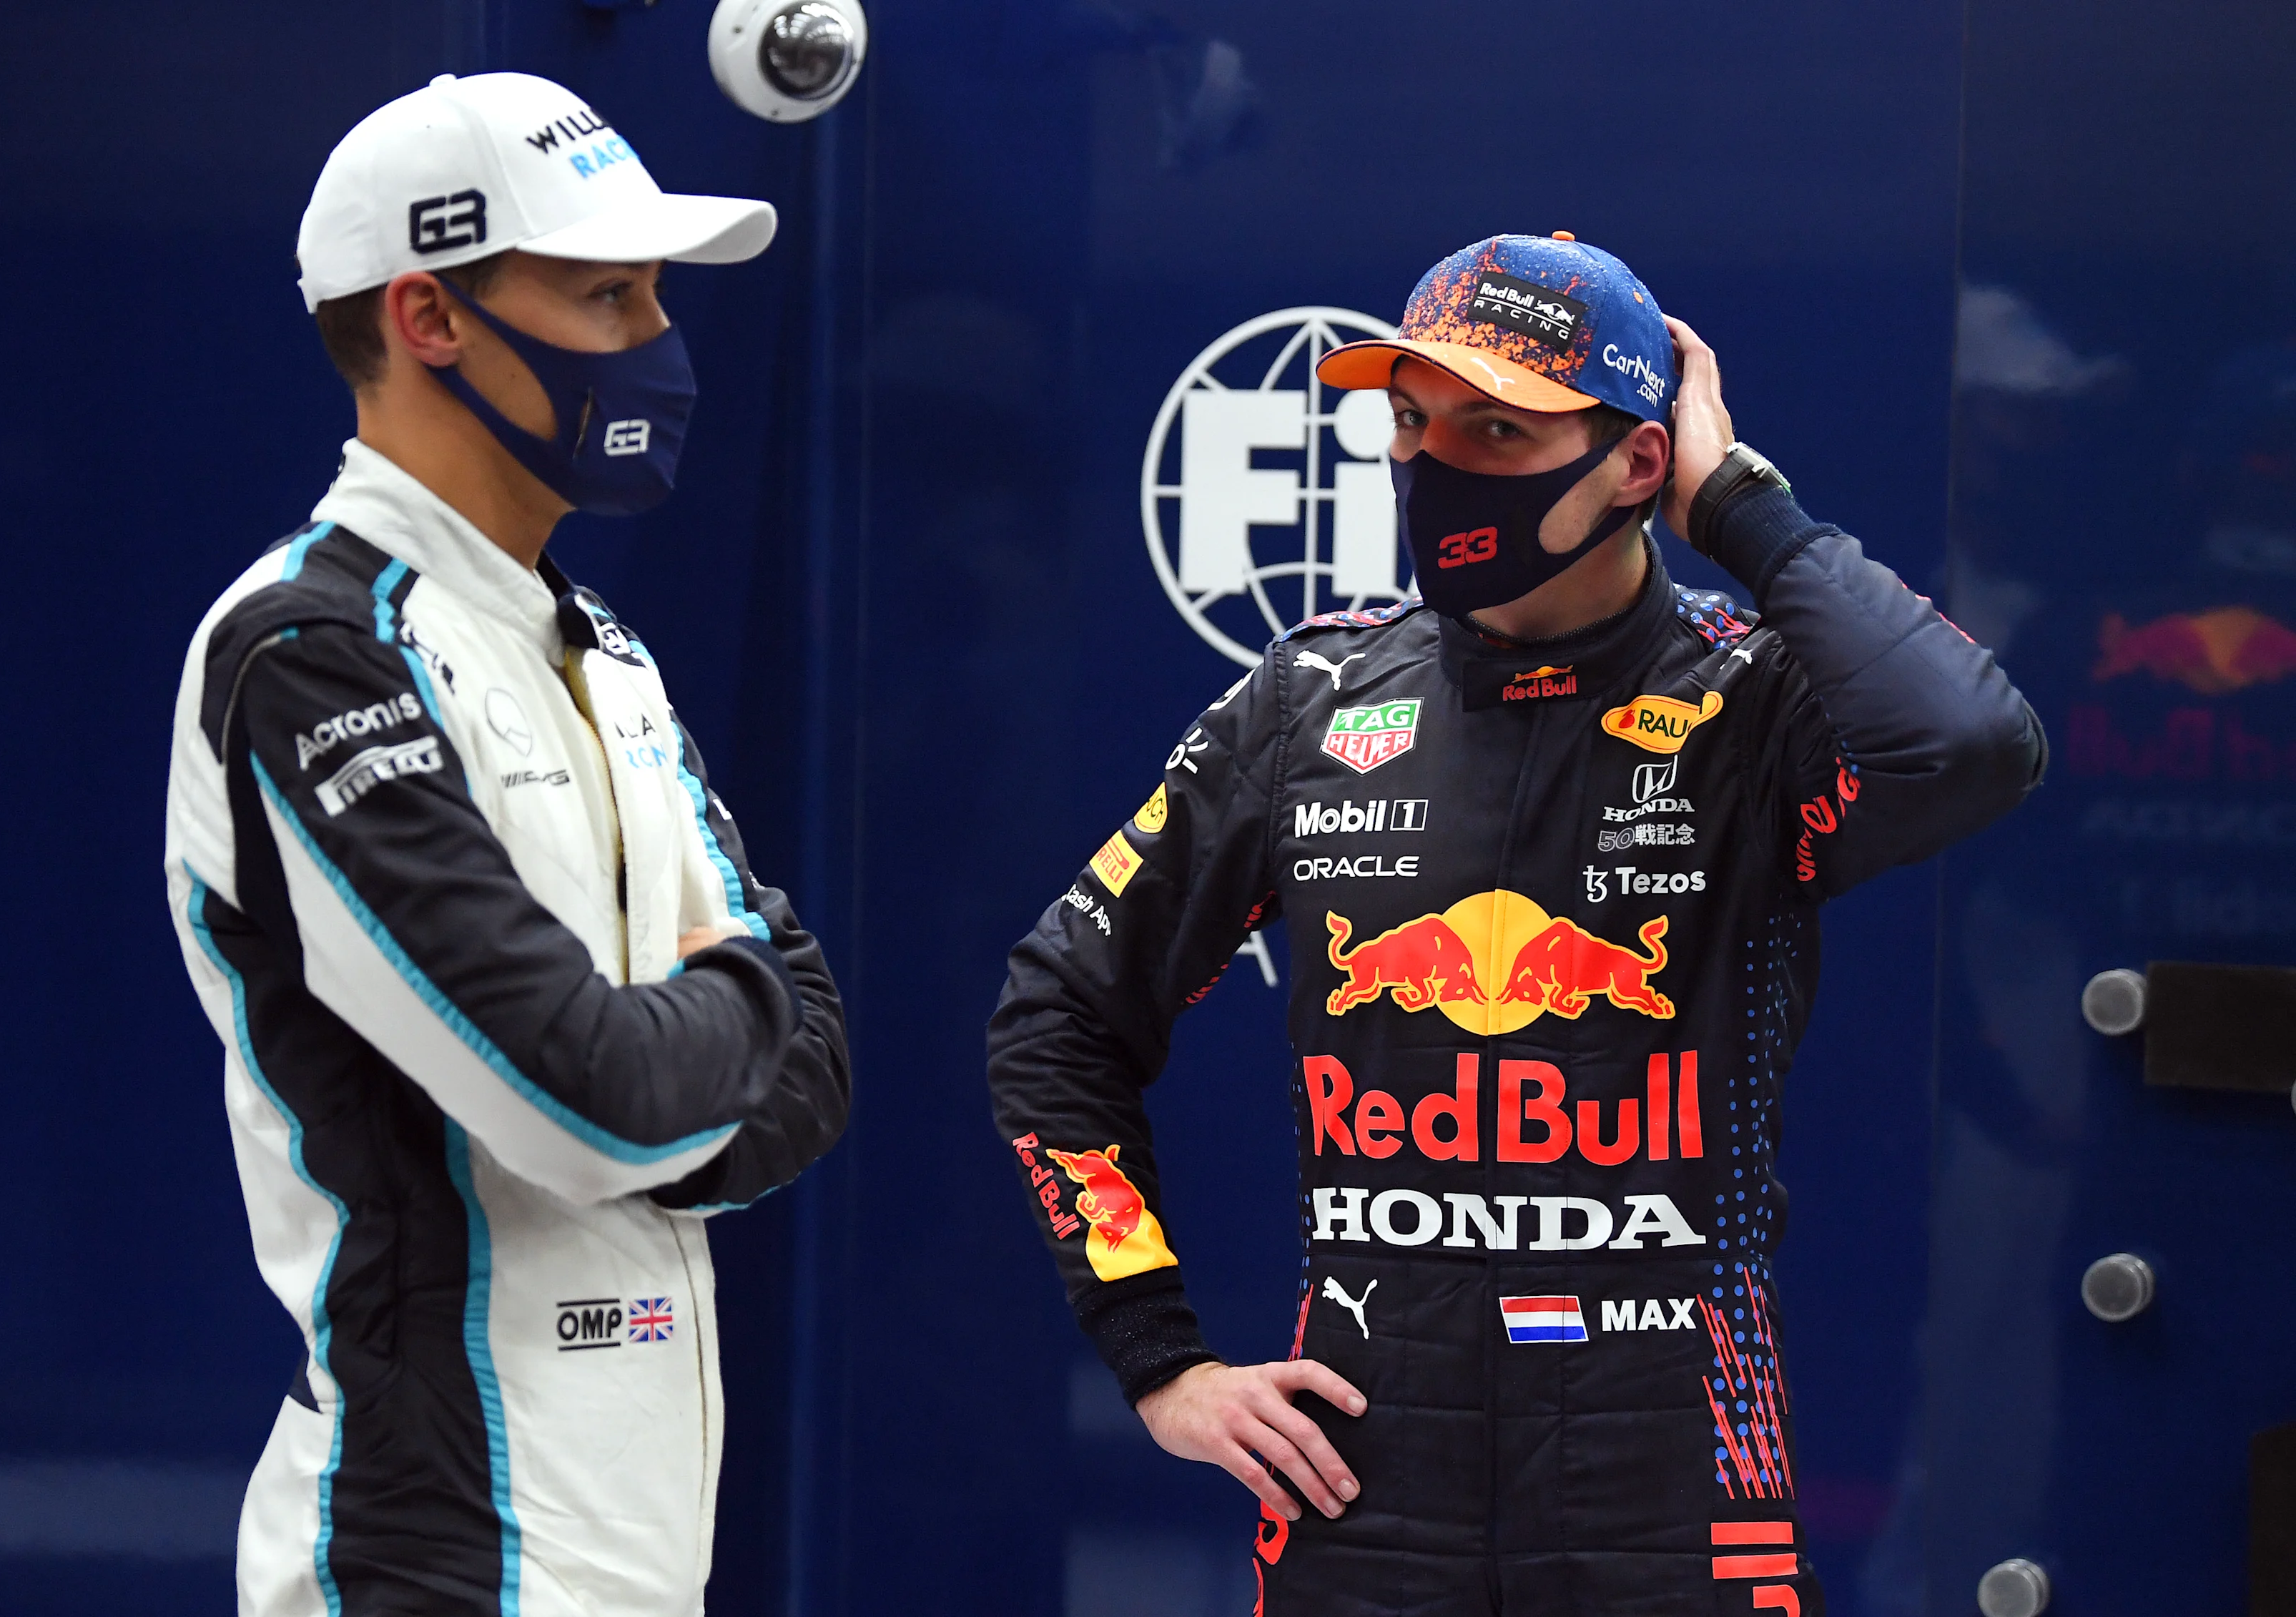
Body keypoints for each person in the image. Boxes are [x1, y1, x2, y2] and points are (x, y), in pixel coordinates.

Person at [986, 233, 2045, 1613]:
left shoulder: (1753, 703)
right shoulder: (1311, 699)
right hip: (1362, 1491)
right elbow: (1058, 1015)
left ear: (1637, 465)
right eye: (1414, 421)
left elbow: (1970, 744)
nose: (1438, 467)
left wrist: (1739, 506)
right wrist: (1156, 1353)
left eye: (1499, 426)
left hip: (1670, 1489)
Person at [162, 72, 849, 1617]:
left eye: (654, 295)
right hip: (433, 1551)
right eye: (606, 295)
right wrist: (732, 999)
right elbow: (582, 1098)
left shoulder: (602, 645)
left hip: (633, 1542)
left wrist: (685, 1034)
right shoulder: (311, 650)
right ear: (428, 319)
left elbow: (818, 1074)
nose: (659, 348)